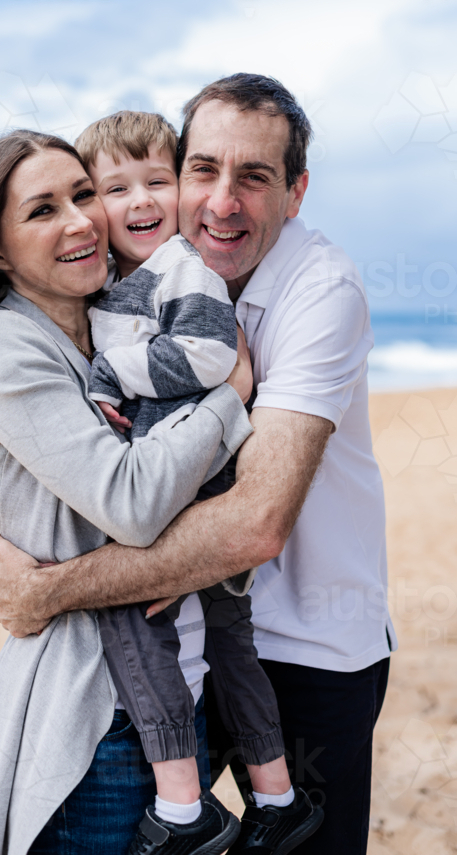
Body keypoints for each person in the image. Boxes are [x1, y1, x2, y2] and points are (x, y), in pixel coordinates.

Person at [0, 74, 395, 855]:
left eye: (255, 178)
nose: (221, 202)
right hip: (200, 642)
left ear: (296, 192)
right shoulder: (136, 286)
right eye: (202, 170)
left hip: (307, 645)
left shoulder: (318, 290)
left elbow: (255, 525)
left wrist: (46, 591)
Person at [0, 128, 254, 854]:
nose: (81, 220)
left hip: (170, 694)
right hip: (100, 721)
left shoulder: (107, 336)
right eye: (41, 210)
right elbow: (131, 502)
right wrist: (231, 396)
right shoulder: (4, 344)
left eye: (83, 194)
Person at [73, 110, 322, 855]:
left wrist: (110, 372)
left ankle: (184, 810)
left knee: (130, 618)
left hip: (199, 481)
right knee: (227, 639)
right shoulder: (134, 278)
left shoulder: (180, 267)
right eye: (116, 188)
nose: (141, 200)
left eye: (157, 179)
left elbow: (212, 357)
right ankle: (274, 795)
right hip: (193, 472)